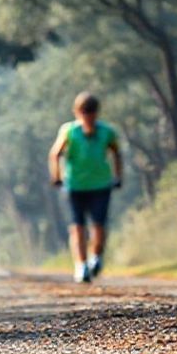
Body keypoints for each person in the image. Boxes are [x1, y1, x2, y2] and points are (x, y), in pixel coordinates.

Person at [49, 92, 122, 283]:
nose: (87, 116)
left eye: (90, 112)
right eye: (83, 112)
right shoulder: (69, 131)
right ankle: (81, 265)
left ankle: (96, 257)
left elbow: (117, 153)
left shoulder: (107, 132)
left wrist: (118, 176)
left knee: (99, 226)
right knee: (78, 228)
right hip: (74, 185)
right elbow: (55, 154)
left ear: (96, 113)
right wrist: (56, 176)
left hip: (101, 184)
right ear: (76, 112)